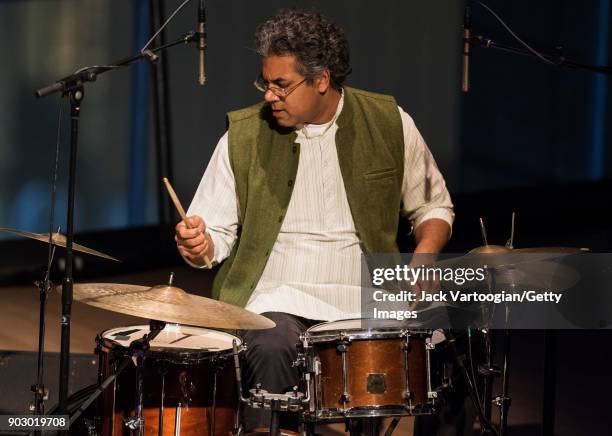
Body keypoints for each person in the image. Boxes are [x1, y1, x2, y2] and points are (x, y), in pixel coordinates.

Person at [175, 8, 454, 433]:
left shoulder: (389, 122)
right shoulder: (244, 134)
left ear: (322, 79)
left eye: (282, 85)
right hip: (277, 296)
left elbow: (433, 205)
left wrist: (426, 254)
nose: (270, 96)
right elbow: (213, 232)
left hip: (363, 295)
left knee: (450, 339)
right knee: (272, 343)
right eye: (264, 83)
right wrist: (201, 245)